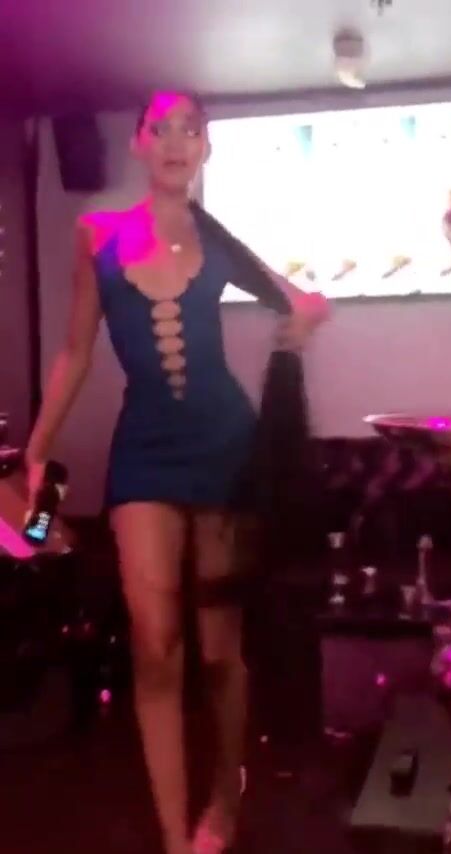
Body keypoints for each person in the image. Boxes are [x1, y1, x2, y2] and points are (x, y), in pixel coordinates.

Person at [26, 91, 328, 854]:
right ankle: (172, 837)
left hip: (227, 450)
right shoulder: (97, 234)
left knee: (220, 649)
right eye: (160, 127)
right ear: (138, 142)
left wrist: (298, 326)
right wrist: (34, 450)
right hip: (144, 453)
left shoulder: (215, 237)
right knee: (155, 644)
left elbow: (304, 302)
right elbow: (76, 352)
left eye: (191, 130)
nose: (175, 141)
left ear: (205, 150)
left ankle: (223, 800)